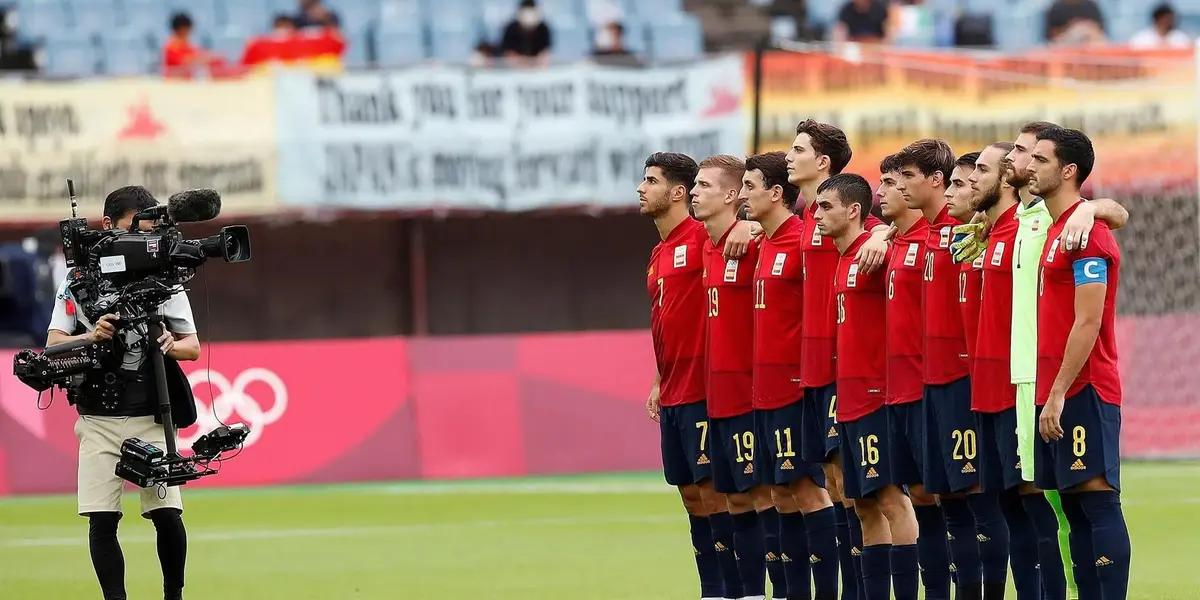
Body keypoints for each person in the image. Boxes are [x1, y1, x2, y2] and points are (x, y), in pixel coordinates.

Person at [46, 186, 201, 600]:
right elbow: (53, 344)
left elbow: (192, 347)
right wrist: (91, 335)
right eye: (135, 225)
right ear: (107, 224)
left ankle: (174, 595)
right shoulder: (78, 279)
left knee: (167, 514)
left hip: (152, 414)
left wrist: (167, 343)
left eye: (147, 226)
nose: (143, 234)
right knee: (102, 520)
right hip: (97, 417)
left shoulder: (164, 274)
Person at [1001, 120, 1129, 599]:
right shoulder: (1056, 228)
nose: (1029, 166)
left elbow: (1088, 321)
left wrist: (1056, 393)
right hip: (1054, 388)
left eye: (1040, 159)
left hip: (1084, 387)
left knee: (1096, 500)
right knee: (1073, 508)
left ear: (1068, 170)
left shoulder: (1088, 235)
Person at [641, 152, 754, 600]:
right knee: (690, 495)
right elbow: (667, 320)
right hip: (673, 390)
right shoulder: (658, 252)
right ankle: (712, 590)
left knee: (717, 494)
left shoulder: (703, 236)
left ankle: (738, 590)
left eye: (651, 181)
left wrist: (748, 224)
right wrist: (658, 379)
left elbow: (751, 233)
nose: (641, 189)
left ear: (677, 192)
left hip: (706, 390)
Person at [786, 118, 889, 600]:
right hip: (814, 368)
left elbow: (882, 229)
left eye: (798, 149)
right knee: (832, 479)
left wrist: (883, 236)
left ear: (822, 162)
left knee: (855, 484)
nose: (790, 157)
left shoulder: (850, 217)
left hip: (843, 366)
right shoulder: (808, 219)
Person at [963, 141, 1066, 600]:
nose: (972, 180)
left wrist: (1097, 208)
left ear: (1006, 179)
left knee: (1031, 500)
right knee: (1006, 502)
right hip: (987, 386)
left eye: (981, 171)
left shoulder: (1035, 223)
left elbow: (1097, 211)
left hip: (1017, 386)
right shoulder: (993, 231)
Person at [815, 172, 921, 600]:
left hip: (879, 396)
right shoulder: (843, 257)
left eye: (826, 207)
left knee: (892, 499)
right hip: (849, 397)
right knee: (861, 504)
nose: (817, 216)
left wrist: (883, 234)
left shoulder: (876, 250)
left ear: (854, 211)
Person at [895, 139, 988, 599]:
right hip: (927, 383)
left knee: (975, 500)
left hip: (961, 382)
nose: (899, 187)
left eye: (908, 177)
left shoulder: (969, 231)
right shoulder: (928, 233)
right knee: (938, 499)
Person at [743, 150, 835, 600]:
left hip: (795, 389)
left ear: (776, 193)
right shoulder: (764, 241)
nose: (742, 196)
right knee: (779, 493)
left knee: (808, 490)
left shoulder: (802, 238)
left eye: (749, 186)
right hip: (764, 389)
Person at [693, 154, 772, 600]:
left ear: (731, 195)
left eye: (704, 185)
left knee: (764, 494)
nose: (695, 192)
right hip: (717, 393)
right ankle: (739, 593)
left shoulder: (754, 241)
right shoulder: (707, 245)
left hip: (750, 393)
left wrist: (751, 225)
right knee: (731, 498)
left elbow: (790, 229)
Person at [162, 13, 223, 78]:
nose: (189, 33)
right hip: (175, 80)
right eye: (187, 30)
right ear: (182, 29)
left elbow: (197, 54)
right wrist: (208, 58)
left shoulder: (186, 45)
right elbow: (185, 60)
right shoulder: (172, 47)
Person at [501, 0, 553, 68]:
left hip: (537, 68)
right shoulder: (510, 28)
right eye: (526, 15)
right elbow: (508, 53)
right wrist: (522, 63)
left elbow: (545, 53)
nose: (528, 19)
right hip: (515, 69)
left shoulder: (543, 28)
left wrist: (537, 64)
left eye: (531, 15)